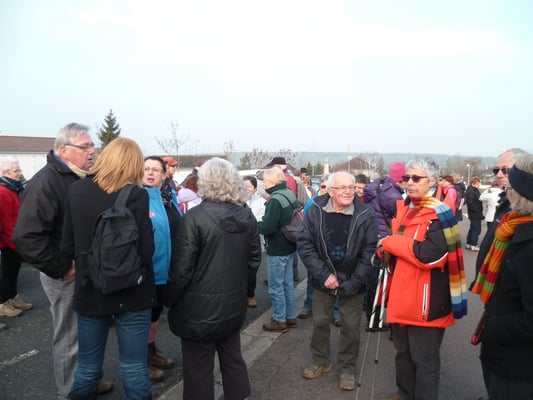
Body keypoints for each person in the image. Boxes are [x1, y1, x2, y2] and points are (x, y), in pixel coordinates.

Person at [12, 123, 113, 399]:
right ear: (65, 150)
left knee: (88, 331)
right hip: (65, 273)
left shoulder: (79, 176)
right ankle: (70, 391)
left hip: (85, 269)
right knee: (70, 336)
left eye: (92, 146)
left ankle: (87, 381)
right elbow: (26, 237)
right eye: (85, 146)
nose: (92, 151)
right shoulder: (46, 182)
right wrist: (62, 267)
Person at [61, 137, 155, 400]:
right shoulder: (136, 194)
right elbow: (146, 250)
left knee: (87, 367)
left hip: (91, 287)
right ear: (133, 164)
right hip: (132, 290)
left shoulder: (77, 190)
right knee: (133, 367)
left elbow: (67, 242)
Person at [164, 157, 261, 400]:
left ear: (205, 182)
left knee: (198, 367)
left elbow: (181, 270)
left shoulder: (195, 217)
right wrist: (244, 292)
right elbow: (253, 261)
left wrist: (169, 298)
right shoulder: (247, 215)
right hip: (232, 304)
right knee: (232, 357)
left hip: (198, 309)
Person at [379, 157, 467, 400]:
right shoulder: (406, 207)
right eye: (407, 177)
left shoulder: (442, 213)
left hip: (427, 302)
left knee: (425, 360)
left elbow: (430, 255)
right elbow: (400, 248)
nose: (409, 182)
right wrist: (383, 250)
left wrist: (391, 243)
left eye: (416, 178)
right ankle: (405, 393)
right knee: (403, 354)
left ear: (433, 181)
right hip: (401, 296)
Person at [298, 171, 378, 391]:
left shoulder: (366, 213)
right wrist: (324, 275)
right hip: (323, 279)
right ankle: (320, 361)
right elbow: (305, 244)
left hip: (353, 280)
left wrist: (354, 282)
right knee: (320, 322)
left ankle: (347, 368)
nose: (348, 191)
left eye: (351, 187)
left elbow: (370, 251)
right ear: (330, 191)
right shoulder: (315, 209)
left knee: (351, 327)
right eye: (342, 187)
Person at [471, 154, 533, 399]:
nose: (503, 185)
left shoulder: (528, 244)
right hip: (505, 351)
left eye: (511, 184)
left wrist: (495, 326)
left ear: (521, 194)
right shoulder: (513, 222)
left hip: (517, 365)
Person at [143, 156, 181, 382]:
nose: (150, 173)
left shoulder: (169, 196)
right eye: (146, 169)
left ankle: (150, 351)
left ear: (164, 174)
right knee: (142, 317)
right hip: (148, 270)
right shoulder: (138, 197)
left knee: (155, 315)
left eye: (155, 170)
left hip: (167, 269)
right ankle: (140, 362)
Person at [362, 162, 405, 324]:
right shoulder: (394, 196)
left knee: (373, 278)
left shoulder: (378, 188)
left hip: (372, 235)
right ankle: (374, 320)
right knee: (380, 280)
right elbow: (401, 219)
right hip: (383, 240)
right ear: (401, 179)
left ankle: (370, 313)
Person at [298, 175, 342, 327]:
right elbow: (305, 226)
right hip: (317, 249)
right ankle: (308, 305)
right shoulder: (312, 203)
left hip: (335, 250)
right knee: (313, 279)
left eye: (328, 187)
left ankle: (336, 312)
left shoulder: (340, 203)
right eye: (322, 187)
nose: (325, 190)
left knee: (337, 280)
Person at [259, 167, 298, 333]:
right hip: (290, 244)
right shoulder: (289, 193)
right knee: (288, 284)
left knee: (275, 286)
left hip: (278, 247)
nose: (264, 184)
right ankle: (290, 316)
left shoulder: (275, 199)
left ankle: (279, 319)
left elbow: (268, 227)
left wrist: (256, 225)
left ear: (272, 181)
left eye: (265, 181)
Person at [0, 157, 32, 318]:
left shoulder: (14, 189)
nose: (20, 173)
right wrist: (16, 245)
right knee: (5, 274)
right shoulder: (3, 192)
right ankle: (2, 303)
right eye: (16, 170)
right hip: (6, 242)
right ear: (5, 173)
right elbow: (6, 223)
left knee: (13, 271)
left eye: (19, 169)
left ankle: (13, 297)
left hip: (14, 240)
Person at [243, 175, 266, 308]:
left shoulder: (261, 202)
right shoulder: (237, 201)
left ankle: (250, 295)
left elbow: (262, 219)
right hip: (240, 242)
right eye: (244, 186)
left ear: (255, 188)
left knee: (252, 270)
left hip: (255, 240)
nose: (246, 189)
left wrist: (248, 222)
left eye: (249, 186)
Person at [465, 177, 484, 251]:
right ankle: (473, 244)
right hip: (475, 213)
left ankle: (469, 243)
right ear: (474, 183)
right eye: (478, 183)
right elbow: (471, 203)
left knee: (473, 228)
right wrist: (477, 211)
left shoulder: (472, 190)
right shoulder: (471, 191)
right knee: (476, 229)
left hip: (474, 212)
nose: (479, 185)